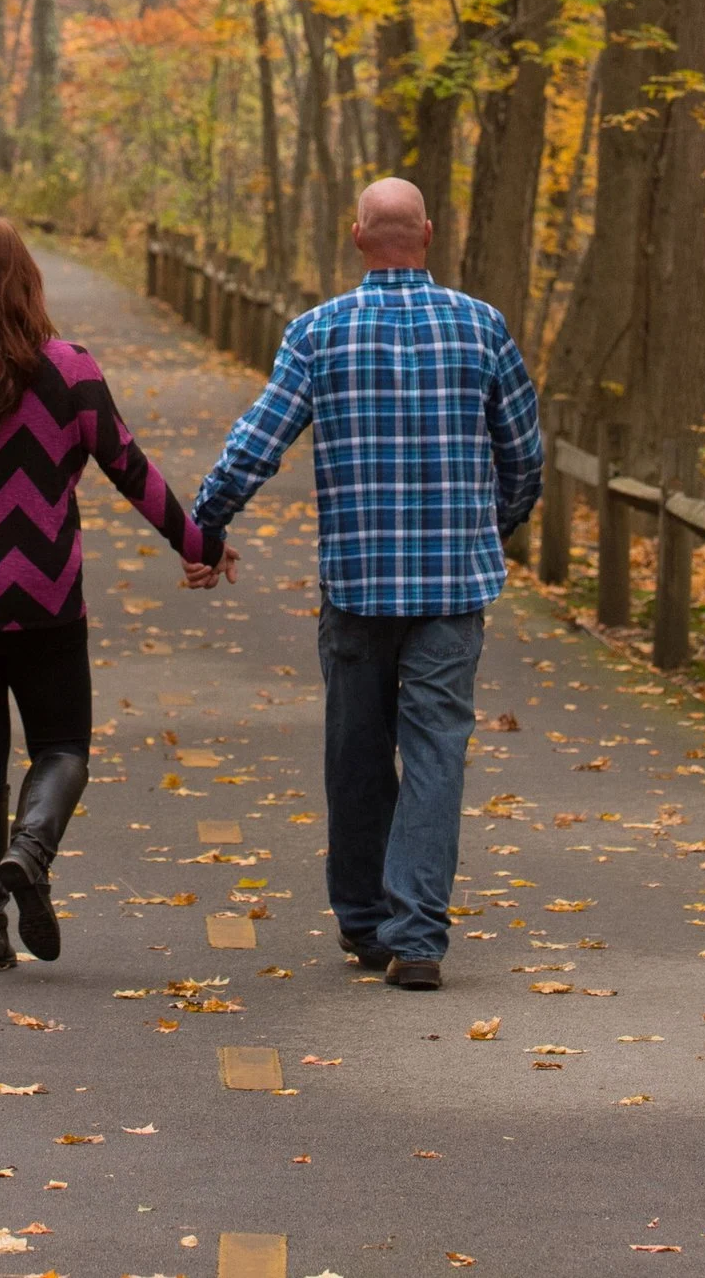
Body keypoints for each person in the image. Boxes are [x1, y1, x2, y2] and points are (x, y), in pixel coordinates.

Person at [191, 176, 542, 991]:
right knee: (434, 754)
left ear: (357, 237)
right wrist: (495, 528)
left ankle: (362, 922)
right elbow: (524, 453)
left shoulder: (319, 333)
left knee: (355, 753)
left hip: (355, 584)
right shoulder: (481, 327)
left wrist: (206, 524)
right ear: (427, 233)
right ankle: (416, 932)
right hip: (454, 586)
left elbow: (258, 442)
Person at [0, 212, 232, 971]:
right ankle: (29, 853)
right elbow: (131, 469)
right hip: (42, 594)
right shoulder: (68, 370)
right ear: (28, 281)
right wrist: (199, 544)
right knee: (62, 743)